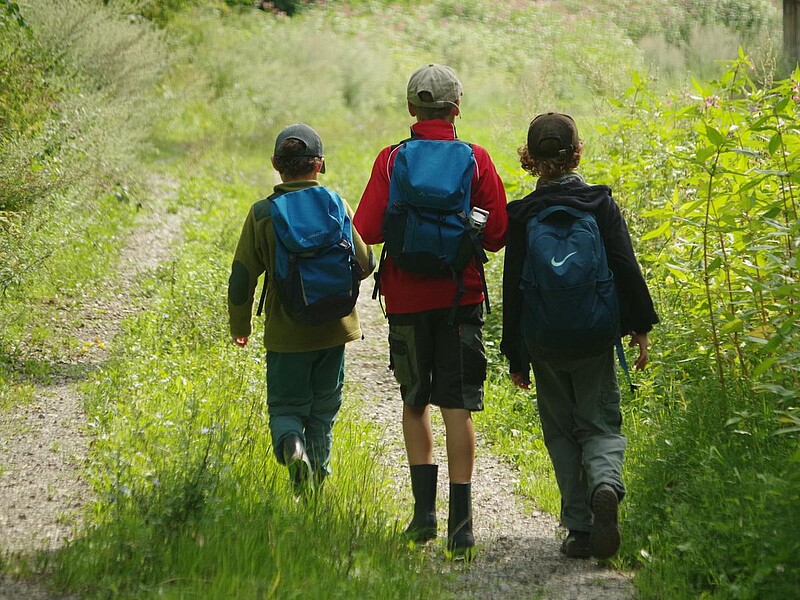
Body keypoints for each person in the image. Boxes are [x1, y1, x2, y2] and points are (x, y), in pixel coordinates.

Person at [353, 64, 508, 559]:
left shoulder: (391, 158)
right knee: (457, 405)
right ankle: (461, 527)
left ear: (410, 109)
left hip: (405, 298)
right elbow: (498, 234)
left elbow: (366, 229)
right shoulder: (476, 158)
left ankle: (423, 517)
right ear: (456, 109)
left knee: (415, 400)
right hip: (461, 297)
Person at [501, 112, 658, 559]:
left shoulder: (524, 214)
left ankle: (580, 529)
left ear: (530, 159)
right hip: (594, 335)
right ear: (576, 154)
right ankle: (605, 484)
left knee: (561, 432)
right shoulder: (599, 204)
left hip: (545, 341)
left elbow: (514, 288)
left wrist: (516, 355)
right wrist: (640, 327)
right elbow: (625, 266)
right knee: (599, 423)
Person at [228, 123, 375, 495]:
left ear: (275, 164)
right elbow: (366, 262)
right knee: (322, 415)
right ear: (319, 164)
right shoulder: (336, 204)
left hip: (287, 335)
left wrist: (240, 325)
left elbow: (242, 277)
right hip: (334, 329)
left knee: (285, 409)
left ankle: (293, 447)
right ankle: (314, 494)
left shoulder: (263, 213)